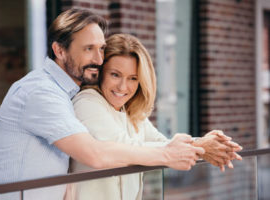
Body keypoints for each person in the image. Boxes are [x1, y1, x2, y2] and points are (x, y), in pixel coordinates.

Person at [0, 9, 241, 199]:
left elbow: (156, 141)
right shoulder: (42, 92)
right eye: (88, 49)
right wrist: (171, 154)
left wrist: (201, 146)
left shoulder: (65, 93)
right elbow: (96, 154)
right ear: (59, 50)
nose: (98, 59)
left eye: (101, 49)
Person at [64, 33, 242, 200]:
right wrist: (199, 145)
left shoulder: (130, 111)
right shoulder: (86, 103)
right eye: (115, 75)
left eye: (133, 78)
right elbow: (124, 148)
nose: (123, 86)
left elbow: (161, 143)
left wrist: (203, 145)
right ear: (101, 73)